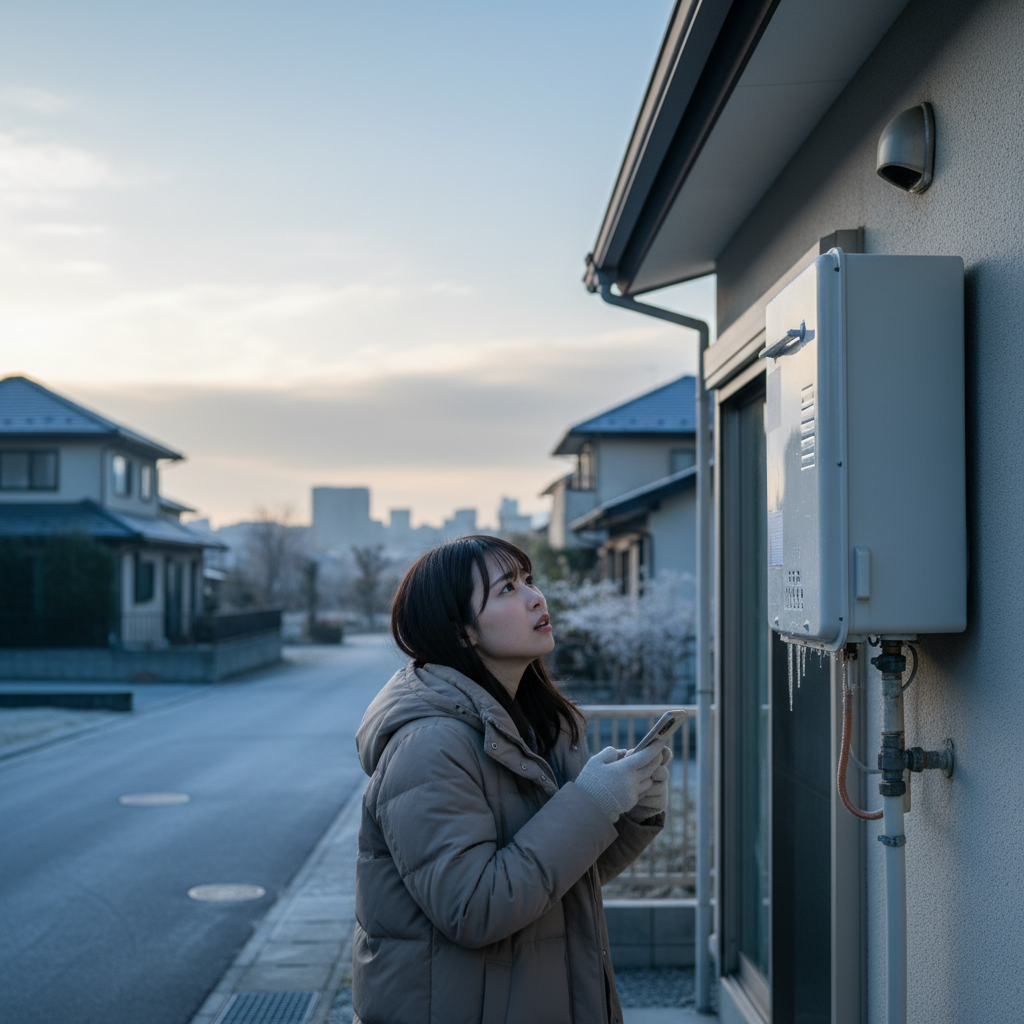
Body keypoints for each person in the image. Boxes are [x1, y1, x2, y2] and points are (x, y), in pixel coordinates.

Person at [352, 535, 672, 1024]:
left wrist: (632, 807)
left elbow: (557, 882)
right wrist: (591, 803)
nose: (535, 597)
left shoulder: (531, 725)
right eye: (507, 589)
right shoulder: (431, 745)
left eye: (528, 580)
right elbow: (474, 907)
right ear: (462, 632)